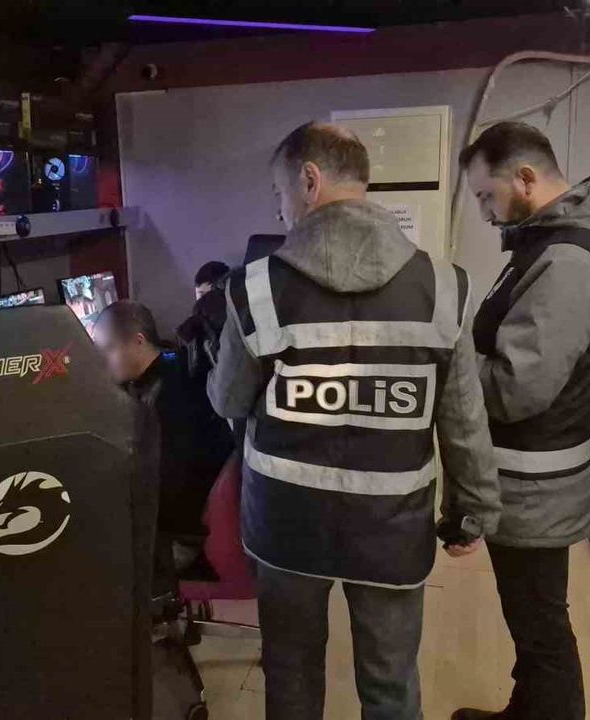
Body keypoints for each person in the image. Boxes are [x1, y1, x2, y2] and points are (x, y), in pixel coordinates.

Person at [208, 122, 502, 720]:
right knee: (390, 683)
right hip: (391, 528)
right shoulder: (443, 286)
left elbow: (228, 402)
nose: (281, 210)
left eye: (280, 193)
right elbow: (463, 416)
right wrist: (473, 508)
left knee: (291, 674)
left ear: (308, 181)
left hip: (286, 526)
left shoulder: (254, 289)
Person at [453, 121, 590, 720]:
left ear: (526, 178)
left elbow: (516, 388)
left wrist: (449, 363)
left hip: (536, 486)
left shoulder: (568, 261)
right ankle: (527, 711)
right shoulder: (548, 245)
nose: (485, 212)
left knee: (539, 624)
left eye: (487, 195)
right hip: (531, 481)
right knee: (531, 618)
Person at [94, 300, 235, 549]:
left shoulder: (171, 394)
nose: (103, 361)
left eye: (109, 349)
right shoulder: (168, 363)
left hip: (183, 528)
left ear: (138, 341)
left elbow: (172, 479)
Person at [176, 261, 231, 387]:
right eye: (201, 296)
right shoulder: (192, 327)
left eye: (210, 296)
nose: (205, 302)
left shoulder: (231, 326)